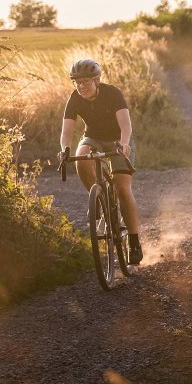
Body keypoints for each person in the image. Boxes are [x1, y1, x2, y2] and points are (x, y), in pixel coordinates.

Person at [58, 59, 143, 264]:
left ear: (97, 80)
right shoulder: (75, 98)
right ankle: (98, 197)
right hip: (93, 138)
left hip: (118, 140)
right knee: (81, 156)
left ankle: (134, 242)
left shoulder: (112, 93)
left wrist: (123, 145)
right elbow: (67, 131)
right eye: (77, 82)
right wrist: (65, 151)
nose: (81, 86)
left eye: (86, 81)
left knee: (122, 188)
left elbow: (126, 126)